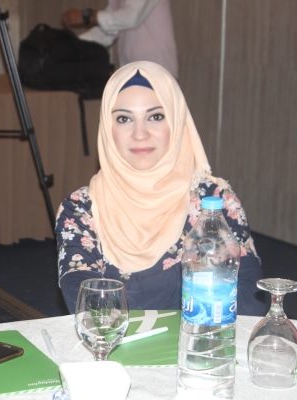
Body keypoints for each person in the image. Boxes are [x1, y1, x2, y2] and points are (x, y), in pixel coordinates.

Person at [55, 61, 267, 316]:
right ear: (107, 129)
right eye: (124, 119)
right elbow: (90, 309)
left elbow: (249, 303)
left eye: (155, 117)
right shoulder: (81, 208)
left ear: (177, 123)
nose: (140, 134)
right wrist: (193, 288)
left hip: (199, 340)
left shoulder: (215, 201)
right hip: (121, 345)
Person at [61, 0, 178, 78]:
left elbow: (131, 18)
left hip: (156, 72)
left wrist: (88, 16)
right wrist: (70, 44)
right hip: (131, 72)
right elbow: (109, 29)